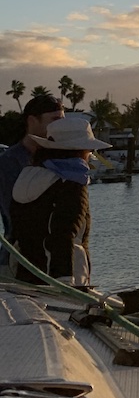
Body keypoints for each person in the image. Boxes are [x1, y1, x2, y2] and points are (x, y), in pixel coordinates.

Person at [8, 115, 109, 284]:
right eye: (89, 151)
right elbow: (64, 233)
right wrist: (65, 280)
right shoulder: (71, 183)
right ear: (80, 151)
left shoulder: (27, 176)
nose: (90, 155)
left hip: (25, 276)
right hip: (60, 281)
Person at [0, 94, 65, 272]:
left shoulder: (61, 159)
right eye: (54, 120)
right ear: (32, 121)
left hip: (55, 258)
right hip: (19, 259)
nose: (60, 126)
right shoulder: (9, 162)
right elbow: (14, 212)